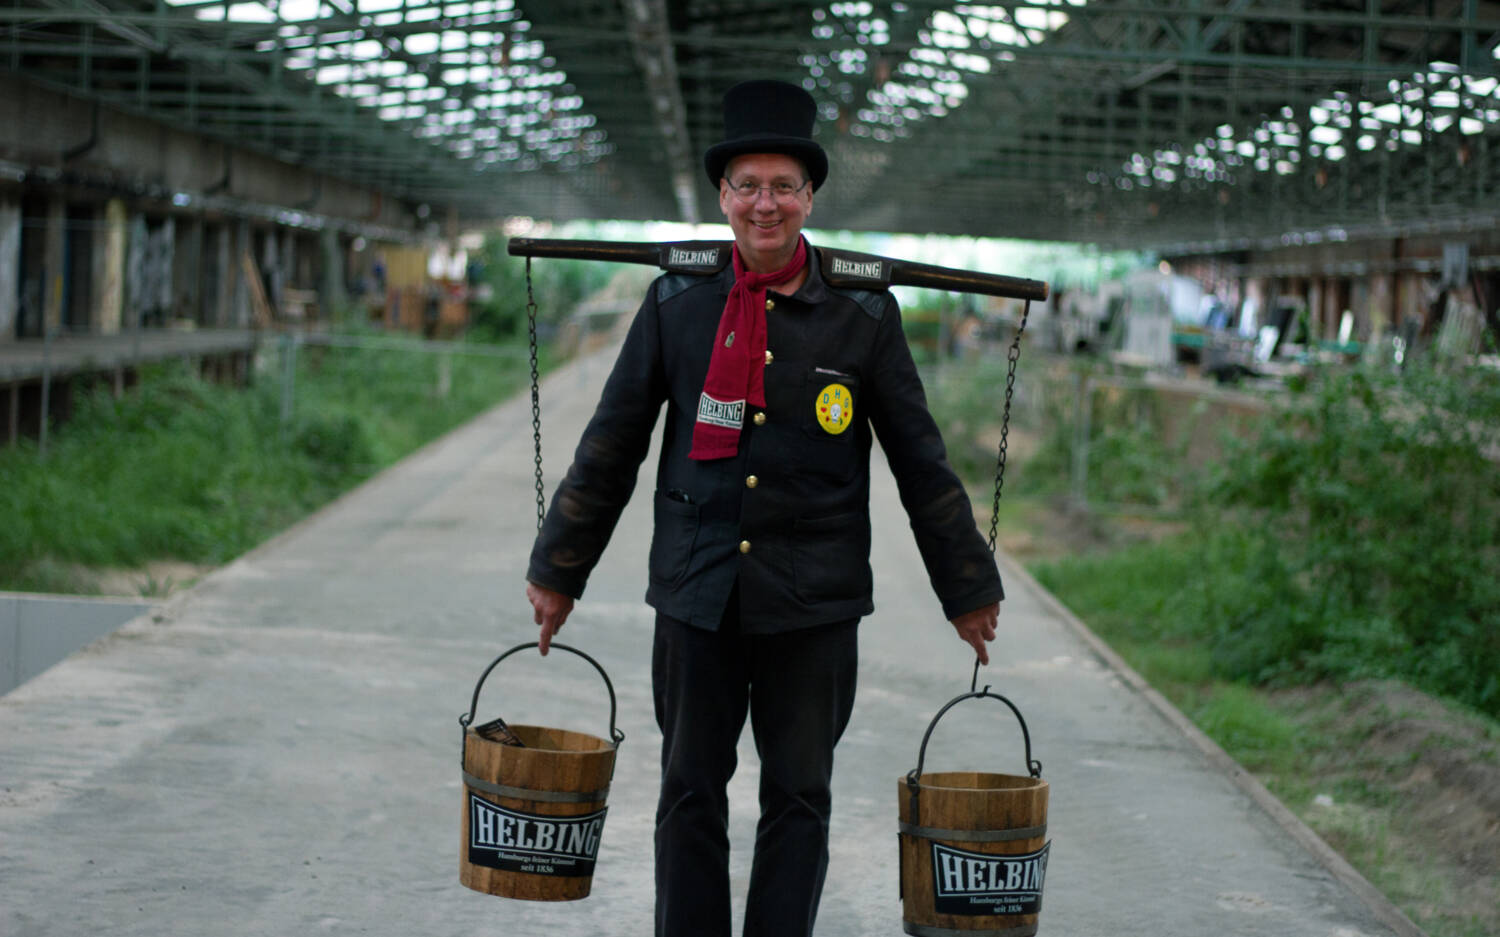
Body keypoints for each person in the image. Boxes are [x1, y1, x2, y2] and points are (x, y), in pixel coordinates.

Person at [524, 79, 1004, 937]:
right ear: (723, 196)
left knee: (799, 798)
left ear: (810, 195)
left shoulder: (861, 314)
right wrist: (559, 568)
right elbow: (613, 440)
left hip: (812, 605)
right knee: (688, 792)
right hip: (696, 594)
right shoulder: (678, 302)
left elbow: (920, 460)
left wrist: (967, 584)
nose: (764, 204)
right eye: (747, 185)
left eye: (783, 185)